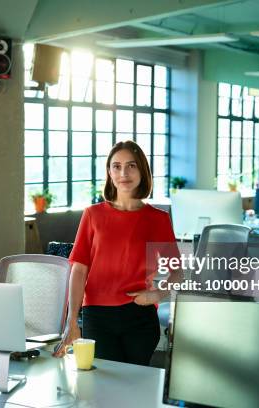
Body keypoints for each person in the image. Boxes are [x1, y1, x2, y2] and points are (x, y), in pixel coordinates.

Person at [52, 140, 180, 366]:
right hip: (97, 316)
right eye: (116, 166)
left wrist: (157, 295)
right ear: (109, 172)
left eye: (131, 166)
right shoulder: (93, 215)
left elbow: (177, 272)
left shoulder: (158, 219)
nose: (124, 173)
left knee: (135, 387)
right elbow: (79, 270)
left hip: (140, 316)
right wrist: (72, 321)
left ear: (142, 171)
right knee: (104, 386)